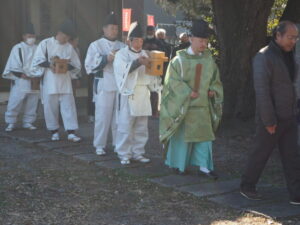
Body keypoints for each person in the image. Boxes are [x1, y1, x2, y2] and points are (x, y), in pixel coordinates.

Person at [240, 21, 300, 205]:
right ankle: (247, 186)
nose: (293, 41)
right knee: (260, 154)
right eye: (290, 37)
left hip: (290, 116)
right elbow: (262, 91)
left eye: (296, 38)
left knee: (292, 158)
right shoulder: (263, 56)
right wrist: (268, 120)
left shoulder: (291, 55)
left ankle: (296, 194)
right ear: (278, 35)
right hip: (271, 118)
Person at [159, 20, 223, 179]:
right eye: (201, 40)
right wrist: (187, 92)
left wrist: (213, 91)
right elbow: (171, 82)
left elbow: (216, 81)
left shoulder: (209, 60)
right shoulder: (179, 61)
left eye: (206, 41)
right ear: (191, 39)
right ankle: (177, 165)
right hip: (184, 107)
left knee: (205, 137)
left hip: (203, 107)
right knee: (182, 138)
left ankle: (204, 167)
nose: (204, 44)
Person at [113, 21, 162, 165]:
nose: (139, 43)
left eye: (141, 40)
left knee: (141, 126)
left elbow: (153, 73)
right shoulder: (121, 54)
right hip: (129, 92)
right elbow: (121, 71)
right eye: (136, 40)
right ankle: (124, 154)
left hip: (143, 92)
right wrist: (138, 63)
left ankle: (138, 152)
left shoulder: (146, 54)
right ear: (129, 41)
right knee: (126, 126)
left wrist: (154, 68)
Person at [31, 19, 82, 142]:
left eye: (68, 37)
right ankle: (54, 131)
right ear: (59, 33)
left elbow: (76, 65)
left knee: (68, 106)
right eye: (65, 36)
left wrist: (65, 66)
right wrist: (50, 65)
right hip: (50, 81)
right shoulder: (46, 43)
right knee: (50, 106)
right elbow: (37, 60)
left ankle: (71, 132)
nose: (66, 39)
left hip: (65, 82)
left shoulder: (69, 47)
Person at [85, 12, 126, 155]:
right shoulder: (95, 45)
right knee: (102, 116)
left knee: (118, 116)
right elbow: (89, 66)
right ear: (104, 29)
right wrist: (106, 58)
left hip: (120, 85)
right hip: (103, 83)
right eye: (111, 28)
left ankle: (117, 143)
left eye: (116, 28)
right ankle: (99, 144)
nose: (114, 30)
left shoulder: (122, 45)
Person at [3, 22, 39, 132]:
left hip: (35, 79)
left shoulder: (38, 48)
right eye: (29, 36)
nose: (31, 38)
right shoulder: (17, 48)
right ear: (24, 36)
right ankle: (10, 122)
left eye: (33, 36)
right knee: (16, 100)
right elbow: (13, 64)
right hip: (21, 78)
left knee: (33, 101)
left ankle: (28, 122)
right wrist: (21, 74)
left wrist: (37, 75)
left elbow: (41, 61)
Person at [143, 25, 161, 118]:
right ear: (146, 32)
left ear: (154, 31)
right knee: (143, 90)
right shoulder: (143, 41)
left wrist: (156, 48)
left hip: (155, 68)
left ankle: (154, 112)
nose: (150, 32)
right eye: (149, 31)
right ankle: (145, 110)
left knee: (154, 91)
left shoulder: (158, 42)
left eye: (152, 31)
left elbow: (163, 51)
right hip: (144, 68)